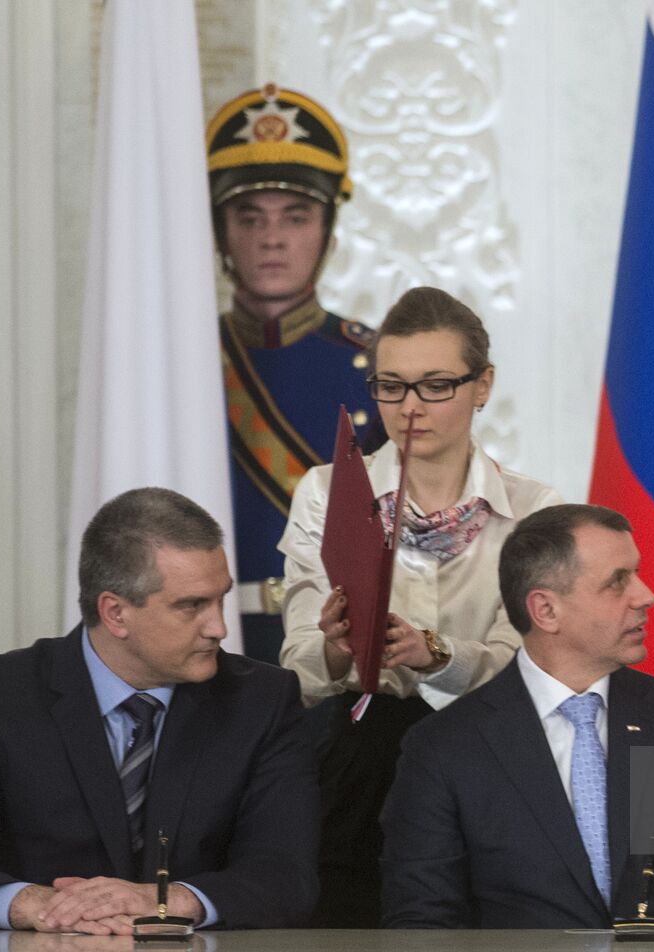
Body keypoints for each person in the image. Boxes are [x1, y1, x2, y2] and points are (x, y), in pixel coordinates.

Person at [0, 488, 317, 932]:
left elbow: (287, 879)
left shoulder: (261, 700)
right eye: (192, 605)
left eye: (220, 598)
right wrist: (38, 906)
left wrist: (166, 901)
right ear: (115, 613)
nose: (219, 627)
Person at [278, 286, 563, 926]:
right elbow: (296, 669)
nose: (410, 407)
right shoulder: (327, 492)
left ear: (482, 385)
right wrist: (333, 644)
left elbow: (532, 669)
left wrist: (435, 656)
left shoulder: (535, 509)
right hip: (353, 756)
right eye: (391, 386)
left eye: (436, 385)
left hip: (484, 755)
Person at [380, 504, 654, 928]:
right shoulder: (445, 747)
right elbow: (422, 920)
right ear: (546, 610)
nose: (646, 596)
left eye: (636, 574)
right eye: (617, 582)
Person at [206, 83, 386, 663]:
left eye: (296, 215)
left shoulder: (380, 367)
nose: (272, 238)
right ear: (220, 233)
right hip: (209, 646)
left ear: (328, 231)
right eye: (248, 216)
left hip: (338, 648)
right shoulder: (189, 363)